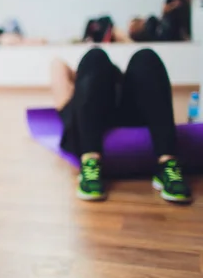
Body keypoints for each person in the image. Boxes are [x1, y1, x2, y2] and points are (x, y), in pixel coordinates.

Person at [50, 47, 192, 203]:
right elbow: (57, 65)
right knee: (94, 56)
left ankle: (168, 163)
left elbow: (58, 65)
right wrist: (89, 74)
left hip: (127, 111)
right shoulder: (73, 105)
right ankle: (90, 161)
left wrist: (88, 75)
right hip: (92, 124)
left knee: (145, 57)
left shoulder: (79, 98)